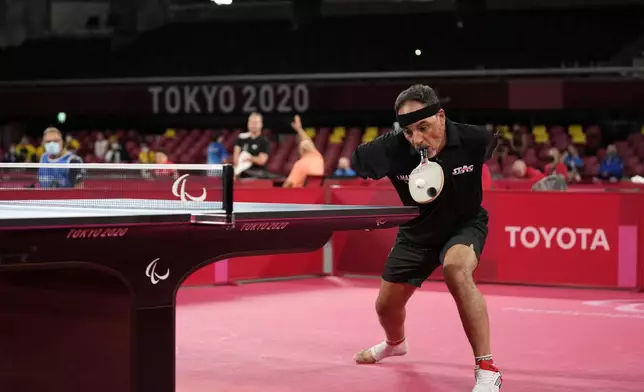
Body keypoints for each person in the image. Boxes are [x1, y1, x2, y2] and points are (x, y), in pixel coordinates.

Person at [350, 84, 502, 392]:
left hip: (464, 225)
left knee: (456, 270)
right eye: (408, 132)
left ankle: (487, 369)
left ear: (441, 117)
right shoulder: (392, 149)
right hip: (416, 232)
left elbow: (488, 150)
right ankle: (395, 344)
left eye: (424, 127)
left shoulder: (475, 139)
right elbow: (358, 161)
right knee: (385, 307)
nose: (418, 139)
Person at [283, 115, 324, 188]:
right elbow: (308, 142)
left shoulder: (300, 164)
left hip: (299, 196)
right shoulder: (319, 158)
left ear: (299, 149)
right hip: (316, 195)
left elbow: (288, 185)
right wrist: (299, 129)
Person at [233, 112, 270, 178]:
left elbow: (261, 160)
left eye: (256, 122)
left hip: (257, 174)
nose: (253, 125)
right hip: (241, 174)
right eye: (251, 122)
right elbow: (235, 159)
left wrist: (247, 157)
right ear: (248, 124)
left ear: (261, 124)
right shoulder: (241, 138)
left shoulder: (264, 141)